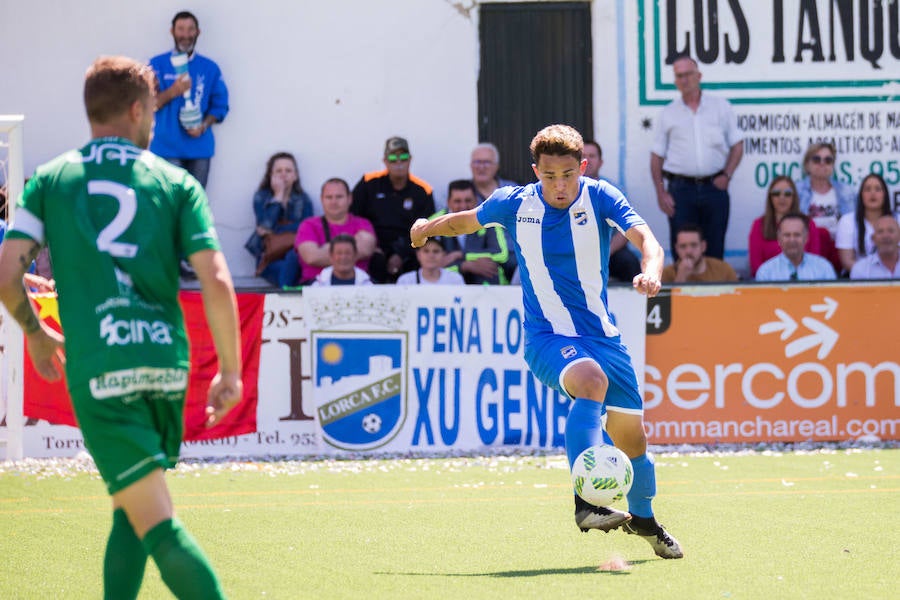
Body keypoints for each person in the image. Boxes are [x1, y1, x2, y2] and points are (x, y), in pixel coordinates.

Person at [0, 56, 242, 599]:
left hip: (102, 368)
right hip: (164, 367)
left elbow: (7, 273)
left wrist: (35, 333)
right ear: (138, 109)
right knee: (128, 508)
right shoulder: (175, 183)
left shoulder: (52, 180)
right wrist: (230, 369)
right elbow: (217, 281)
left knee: (156, 522)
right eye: (154, 110)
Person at [411, 124, 682, 559]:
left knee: (634, 445)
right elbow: (464, 220)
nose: (559, 185)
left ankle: (646, 522)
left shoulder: (601, 196)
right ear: (536, 171)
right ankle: (586, 504)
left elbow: (647, 239)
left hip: (604, 338)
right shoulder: (515, 203)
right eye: (549, 176)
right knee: (591, 382)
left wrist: (652, 271)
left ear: (584, 167)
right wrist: (427, 228)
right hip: (547, 337)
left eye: (569, 174)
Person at [650, 54, 743, 260]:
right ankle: (682, 292)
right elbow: (657, 156)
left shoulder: (721, 107)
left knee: (715, 249)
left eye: (688, 74)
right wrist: (660, 192)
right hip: (681, 191)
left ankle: (715, 293)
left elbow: (737, 145)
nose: (684, 80)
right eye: (679, 76)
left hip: (714, 188)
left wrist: (726, 176)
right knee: (683, 251)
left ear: (699, 75)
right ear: (675, 81)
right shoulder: (668, 113)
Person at [149, 10, 229, 188]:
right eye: (181, 29)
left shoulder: (210, 68)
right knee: (169, 205)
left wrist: (204, 125)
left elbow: (220, 106)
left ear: (198, 32)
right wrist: (173, 91)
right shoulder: (156, 65)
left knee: (195, 205)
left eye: (190, 29)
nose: (185, 35)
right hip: (165, 148)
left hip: (199, 149)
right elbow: (147, 105)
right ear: (172, 31)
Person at [351, 136, 435, 282]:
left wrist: (401, 254)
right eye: (392, 158)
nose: (398, 163)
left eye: (403, 157)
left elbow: (428, 228)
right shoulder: (368, 183)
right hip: (374, 248)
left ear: (410, 159)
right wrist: (371, 246)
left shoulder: (423, 190)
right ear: (385, 161)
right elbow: (353, 218)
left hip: (410, 250)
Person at [244, 152, 314, 287]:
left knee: (292, 260)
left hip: (295, 254)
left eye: (288, 171)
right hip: (269, 257)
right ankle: (287, 294)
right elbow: (266, 225)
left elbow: (306, 228)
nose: (283, 175)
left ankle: (287, 293)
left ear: (295, 176)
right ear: (270, 175)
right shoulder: (261, 197)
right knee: (285, 272)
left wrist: (277, 229)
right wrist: (278, 196)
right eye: (278, 171)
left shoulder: (304, 199)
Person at [430, 179, 514, 284]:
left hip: (485, 281)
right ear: (448, 202)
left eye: (468, 200)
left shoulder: (488, 218)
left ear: (475, 201)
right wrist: (465, 266)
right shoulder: (434, 223)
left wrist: (462, 255)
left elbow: (501, 254)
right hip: (446, 284)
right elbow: (429, 264)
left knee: (490, 268)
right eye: (457, 201)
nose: (463, 206)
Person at [296, 178, 376, 283]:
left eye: (339, 197)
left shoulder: (363, 224)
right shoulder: (308, 225)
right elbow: (311, 257)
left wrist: (325, 249)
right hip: (316, 287)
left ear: (349, 198)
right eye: (329, 197)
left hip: (358, 286)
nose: (334, 202)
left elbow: (365, 250)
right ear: (322, 199)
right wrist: (349, 251)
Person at [748, 176, 830, 277]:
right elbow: (756, 266)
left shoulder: (808, 223)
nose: (782, 198)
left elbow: (814, 261)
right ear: (770, 197)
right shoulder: (759, 225)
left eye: (787, 193)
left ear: (794, 197)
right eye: (776, 193)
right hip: (770, 282)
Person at [584, 140, 642, 283]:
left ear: (600, 162)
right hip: (576, 251)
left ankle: (637, 303)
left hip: (609, 251)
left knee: (629, 262)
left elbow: (625, 231)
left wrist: (605, 253)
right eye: (582, 156)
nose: (587, 160)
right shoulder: (564, 191)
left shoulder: (612, 191)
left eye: (592, 156)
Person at [835, 173, 895, 274]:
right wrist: (872, 275)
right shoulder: (847, 221)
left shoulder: (896, 220)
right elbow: (847, 261)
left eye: (877, 189)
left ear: (885, 194)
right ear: (861, 195)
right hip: (858, 279)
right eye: (867, 189)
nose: (872, 193)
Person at [795, 142, 856, 238]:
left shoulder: (847, 191)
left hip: (839, 247)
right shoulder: (796, 191)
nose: (822, 163)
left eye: (828, 160)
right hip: (808, 247)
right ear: (807, 165)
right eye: (816, 159)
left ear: (833, 165)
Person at [755, 213, 837, 281]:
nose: (792, 240)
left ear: (806, 238)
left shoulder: (824, 268)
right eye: (787, 235)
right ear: (779, 239)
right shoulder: (766, 272)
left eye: (797, 235)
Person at [662, 223, 738, 283]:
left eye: (693, 245)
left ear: (703, 246)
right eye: (683, 246)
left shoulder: (723, 270)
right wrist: (681, 277)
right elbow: (667, 301)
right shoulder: (667, 274)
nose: (688, 251)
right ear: (677, 249)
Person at [396, 237, 465, 285]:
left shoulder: (455, 280)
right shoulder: (405, 281)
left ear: (444, 254)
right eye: (426, 251)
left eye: (436, 251)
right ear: (418, 254)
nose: (431, 255)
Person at [849, 215, 900, 279]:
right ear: (873, 239)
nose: (886, 236)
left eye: (891, 231)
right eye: (880, 232)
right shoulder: (860, 269)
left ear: (899, 236)